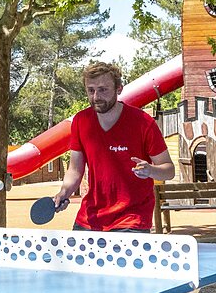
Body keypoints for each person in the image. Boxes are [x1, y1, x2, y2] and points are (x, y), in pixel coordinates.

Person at [51, 61, 175, 231]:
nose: (96, 97)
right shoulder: (81, 121)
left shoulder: (143, 122)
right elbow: (75, 170)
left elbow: (169, 170)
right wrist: (63, 193)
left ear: (119, 89)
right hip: (89, 219)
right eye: (91, 90)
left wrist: (150, 171)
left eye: (103, 90)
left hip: (131, 219)